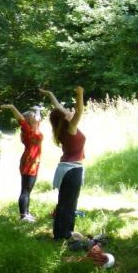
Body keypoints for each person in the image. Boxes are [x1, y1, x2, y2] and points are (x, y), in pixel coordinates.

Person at [41, 86, 86, 240]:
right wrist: (80, 94)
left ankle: (60, 233)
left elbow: (58, 109)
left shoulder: (64, 128)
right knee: (69, 204)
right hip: (72, 170)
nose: (68, 110)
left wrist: (50, 94)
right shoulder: (70, 128)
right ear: (66, 118)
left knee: (64, 202)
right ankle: (64, 235)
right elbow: (79, 111)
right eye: (67, 111)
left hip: (67, 169)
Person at [1, 102, 43, 222]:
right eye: (32, 114)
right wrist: (13, 107)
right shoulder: (28, 130)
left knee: (28, 190)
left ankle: (27, 213)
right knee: (25, 189)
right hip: (29, 163)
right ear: (28, 121)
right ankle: (23, 216)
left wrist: (38, 110)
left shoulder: (35, 128)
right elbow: (21, 119)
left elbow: (38, 118)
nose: (34, 115)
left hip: (35, 162)